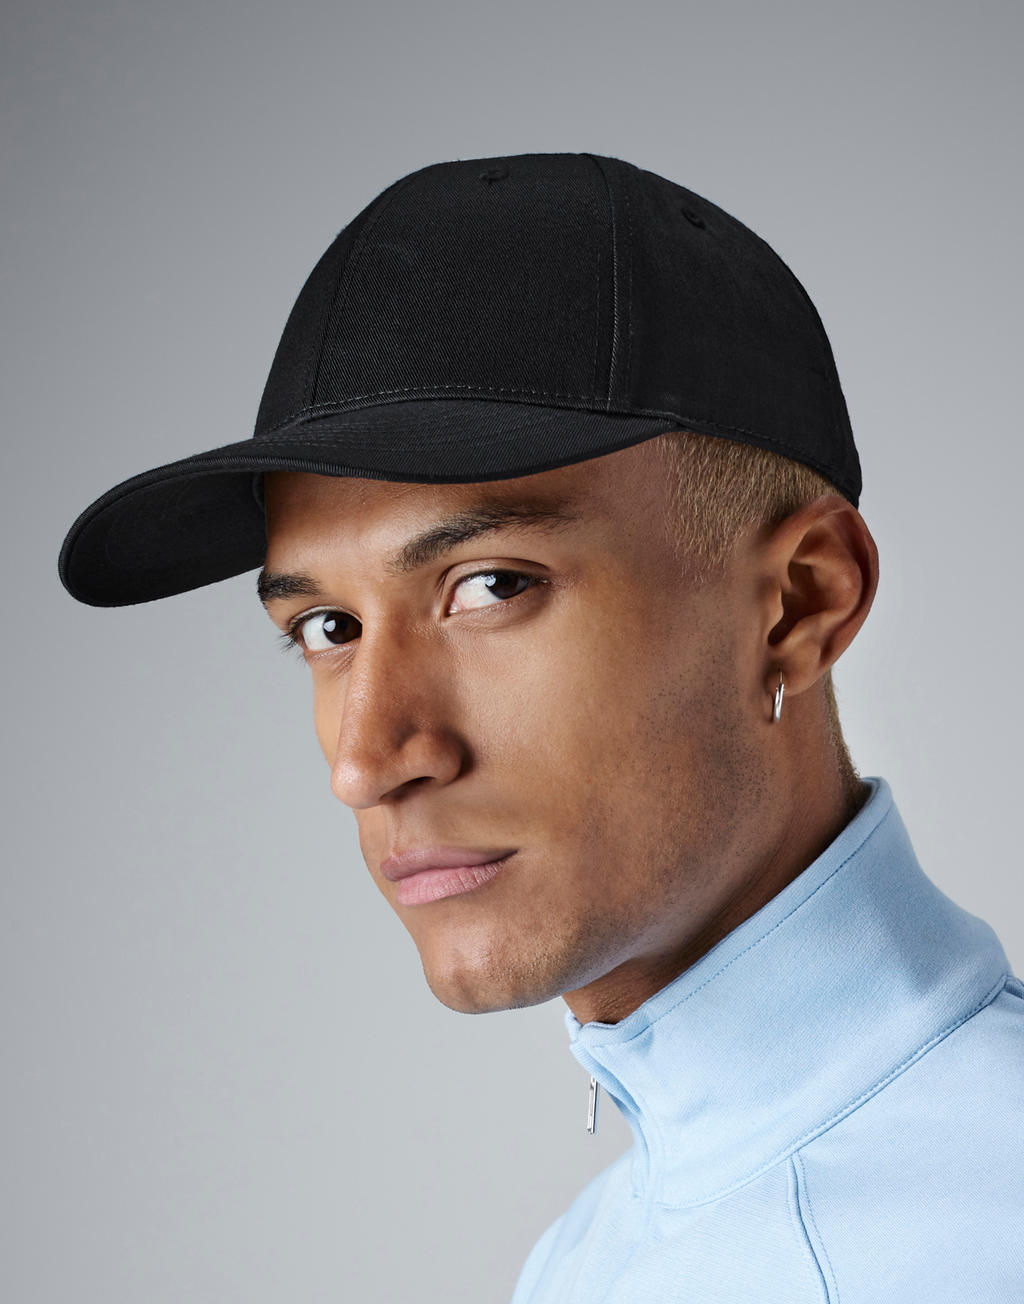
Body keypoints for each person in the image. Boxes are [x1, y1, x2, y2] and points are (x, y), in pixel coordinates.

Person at [58, 153, 1023, 1302]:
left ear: (798, 602)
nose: (367, 759)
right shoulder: (589, 1253)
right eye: (326, 625)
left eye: (491, 585)